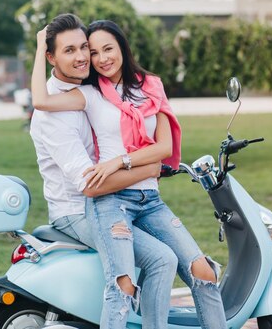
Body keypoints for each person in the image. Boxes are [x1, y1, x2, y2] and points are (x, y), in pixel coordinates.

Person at [32, 18, 226, 329]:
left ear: (123, 47)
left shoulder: (147, 87)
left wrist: (123, 162)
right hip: (96, 204)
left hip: (146, 198)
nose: (94, 57)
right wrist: (40, 47)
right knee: (138, 275)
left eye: (96, 49)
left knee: (201, 269)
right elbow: (41, 103)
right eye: (86, 51)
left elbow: (163, 148)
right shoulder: (85, 96)